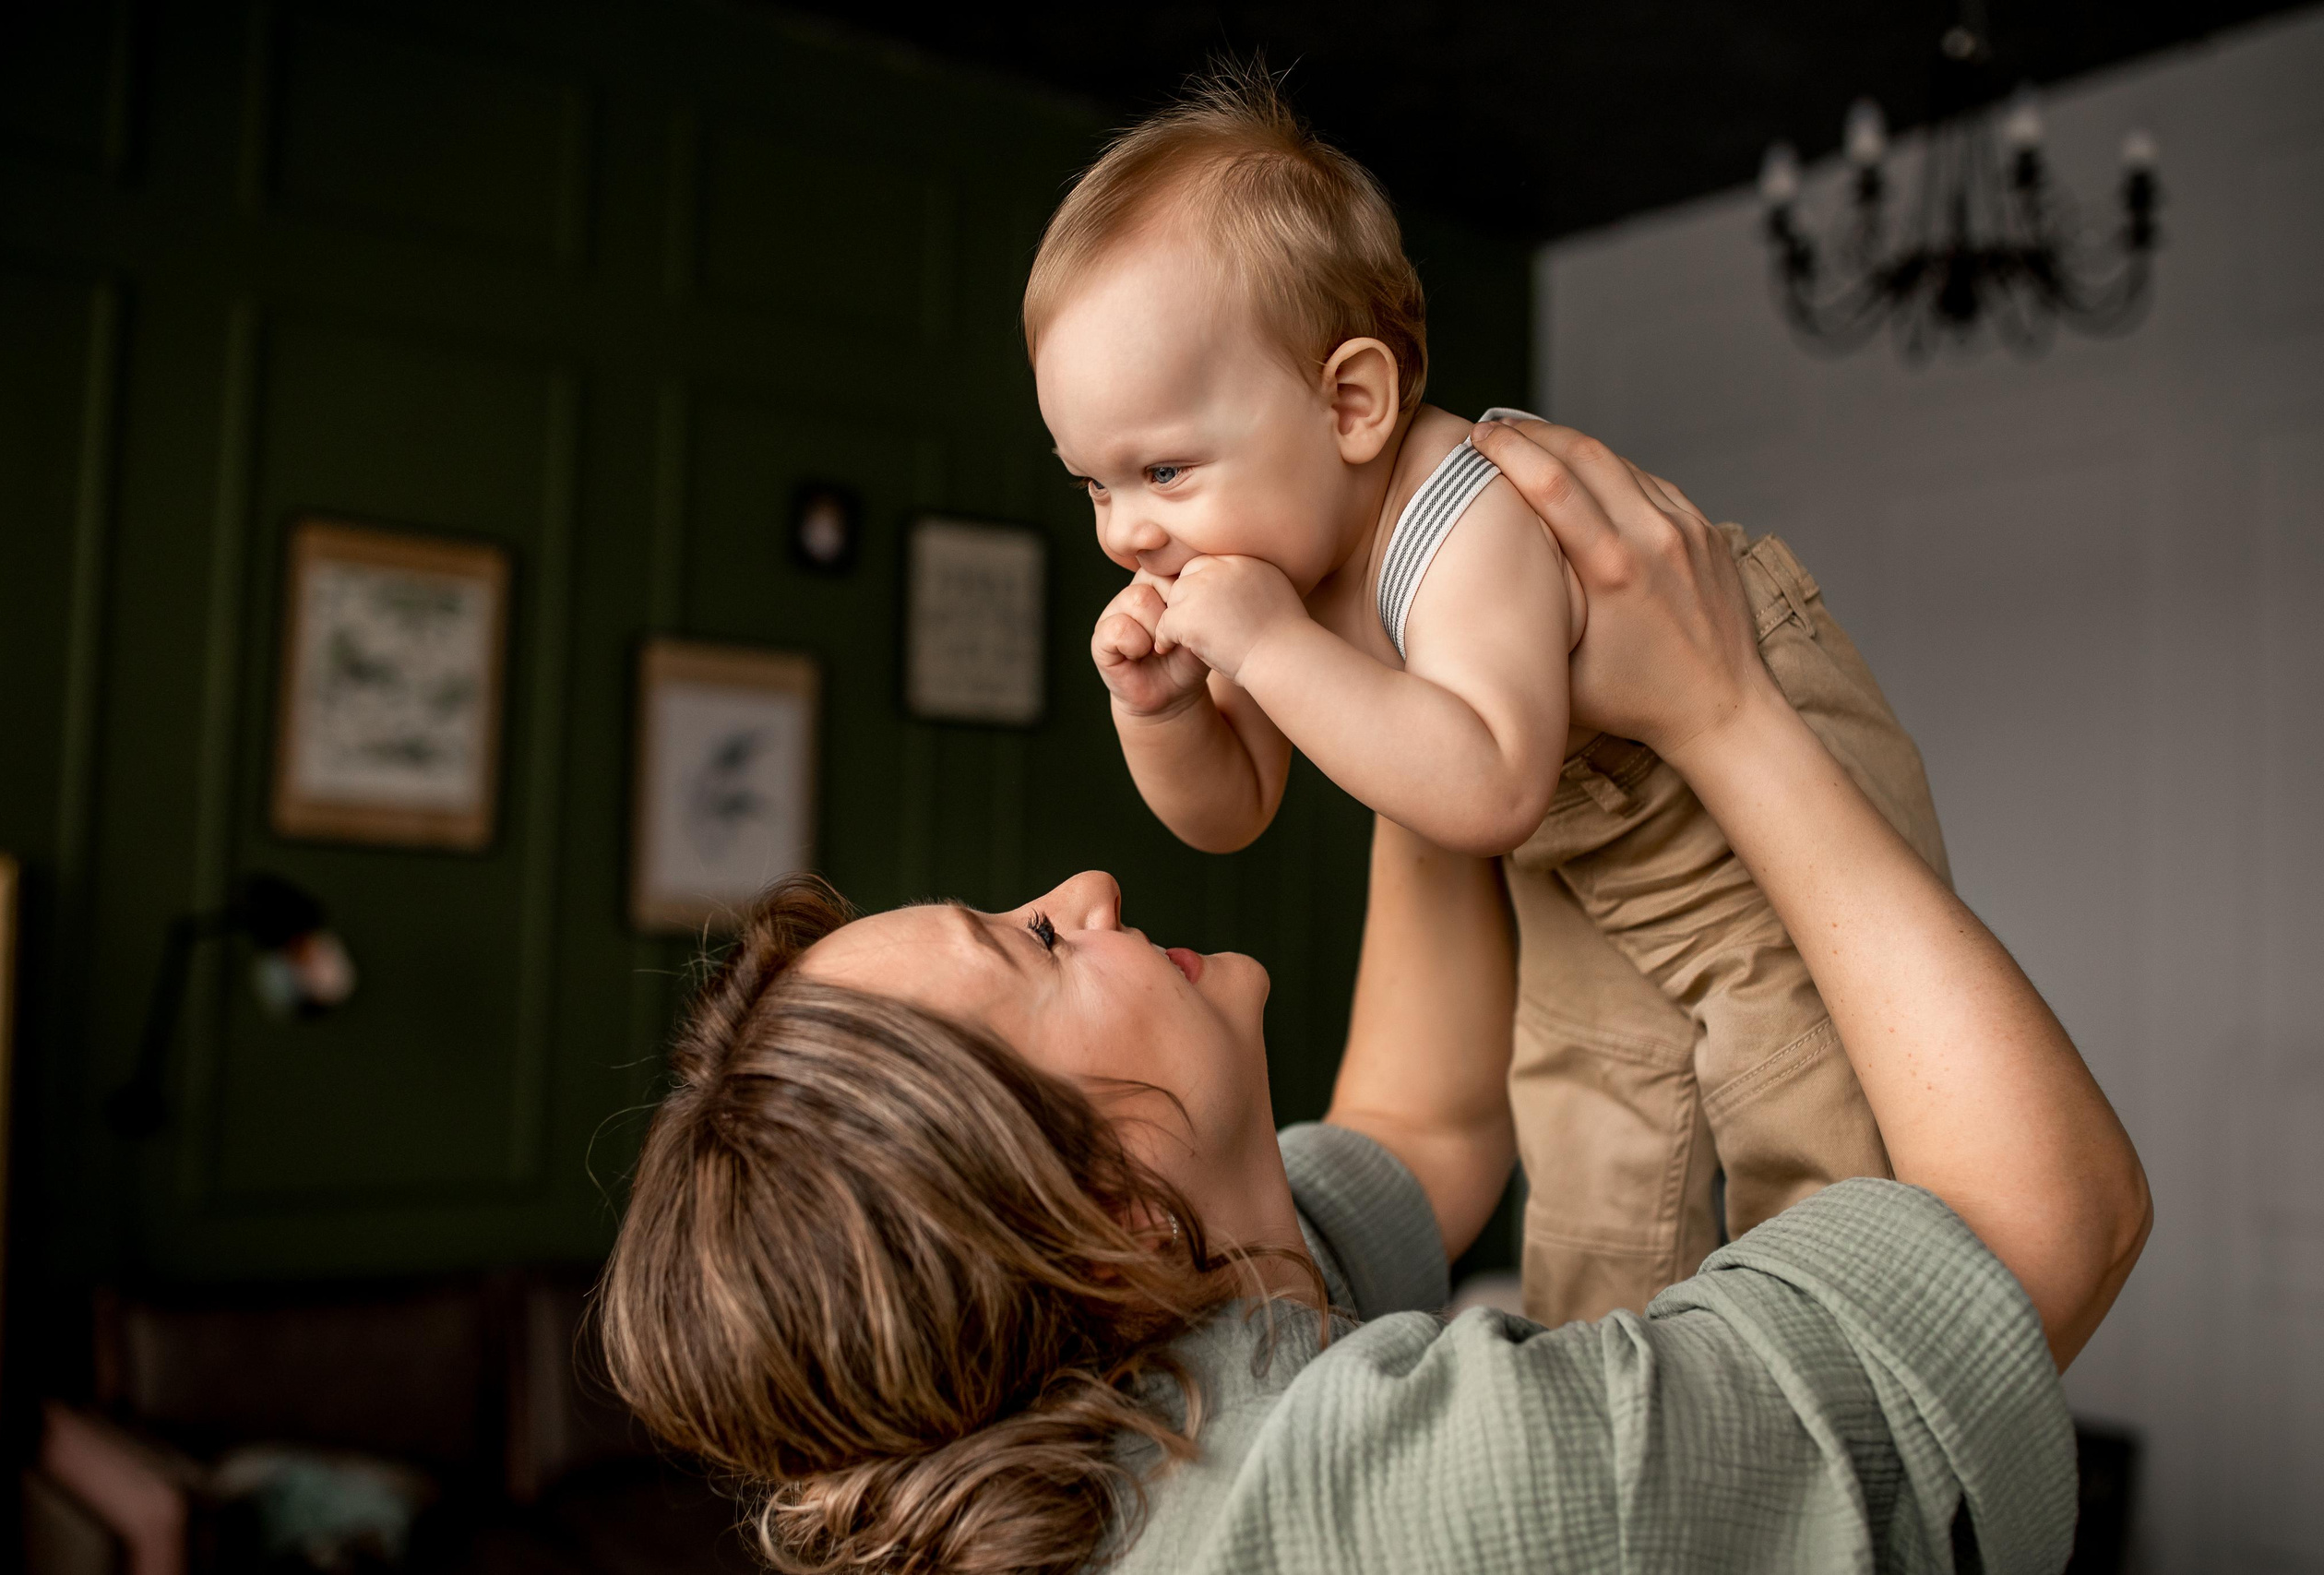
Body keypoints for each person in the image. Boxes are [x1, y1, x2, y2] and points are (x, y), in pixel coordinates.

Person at [595, 417, 2151, 1575]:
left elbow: (1427, 1128)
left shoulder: (1123, 1388)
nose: (1090, 892)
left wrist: (1427, 671)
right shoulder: (1434, 1506)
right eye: (1039, 950)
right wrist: (1719, 703)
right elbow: (2047, 1221)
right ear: (1114, 1208)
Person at [1031, 68, 1952, 1325]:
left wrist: (1269, 649)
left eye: (1165, 470)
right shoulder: (1276, 566)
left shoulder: (1466, 512)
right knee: (1586, 1128)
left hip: (1746, 826)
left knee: (1805, 1100)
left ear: (1352, 403)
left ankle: (1852, 1372)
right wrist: (1170, 711)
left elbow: (1486, 784)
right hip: (1590, 857)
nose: (1129, 531)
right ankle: (1613, 1400)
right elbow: (1232, 809)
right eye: (1094, 486)